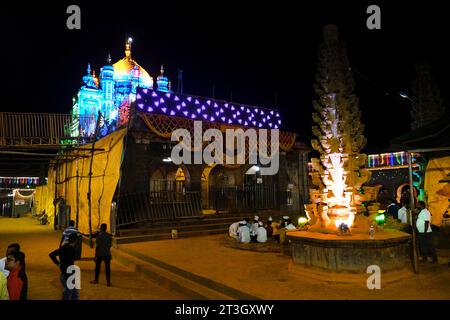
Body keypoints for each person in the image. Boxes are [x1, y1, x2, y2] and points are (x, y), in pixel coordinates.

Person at [49, 232, 79, 300]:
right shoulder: (72, 250)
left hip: (63, 274)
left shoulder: (63, 247)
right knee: (69, 294)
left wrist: (58, 264)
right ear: (76, 241)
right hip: (69, 275)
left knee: (74, 293)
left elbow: (51, 255)